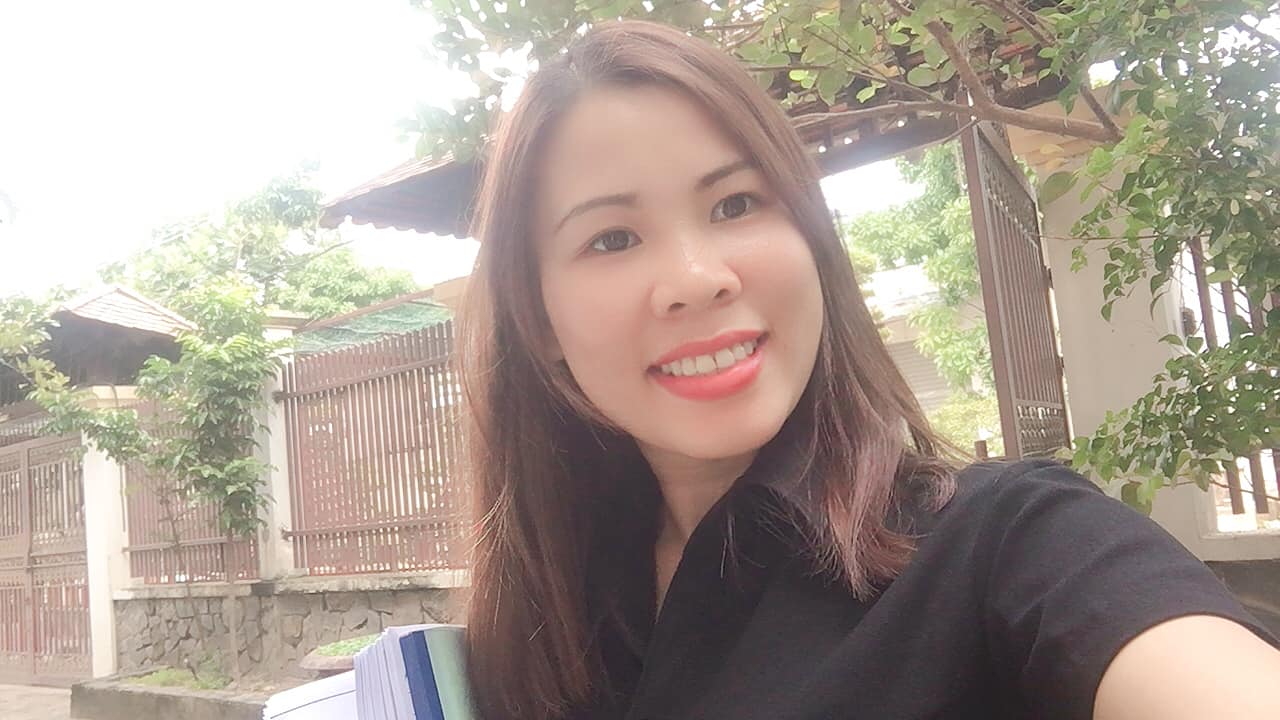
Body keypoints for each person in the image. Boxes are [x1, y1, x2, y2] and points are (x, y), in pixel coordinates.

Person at [455, 19, 1280, 720]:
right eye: (612, 239)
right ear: (539, 317)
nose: (697, 279)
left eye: (736, 203)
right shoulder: (530, 638)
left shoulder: (1009, 544)